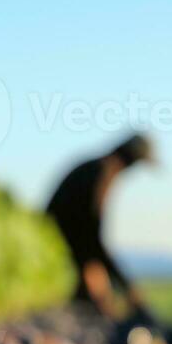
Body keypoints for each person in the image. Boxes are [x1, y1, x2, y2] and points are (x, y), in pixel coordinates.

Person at [45, 134, 154, 318]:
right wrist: (126, 286)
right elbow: (92, 236)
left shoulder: (94, 168)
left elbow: (86, 233)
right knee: (90, 313)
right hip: (60, 259)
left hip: (61, 254)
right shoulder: (103, 173)